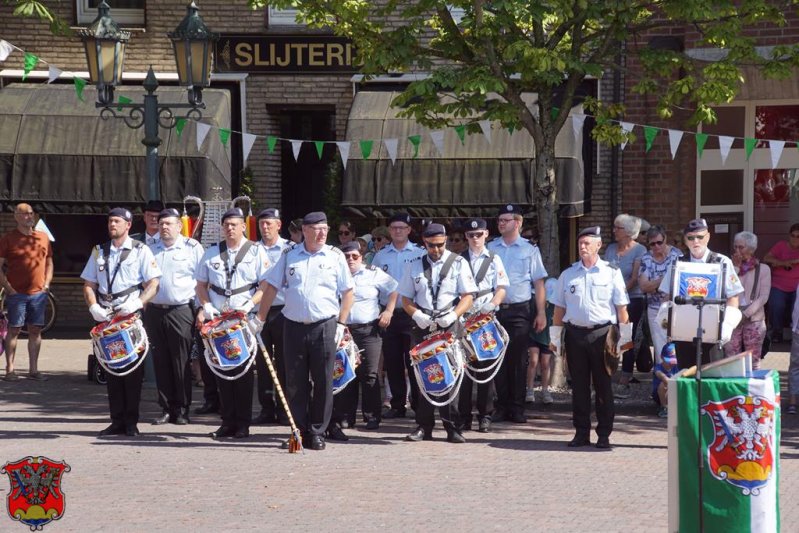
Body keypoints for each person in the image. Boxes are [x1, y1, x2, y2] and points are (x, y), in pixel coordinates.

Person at [254, 211, 354, 451]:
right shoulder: (290, 255)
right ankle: (298, 429)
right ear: (305, 231)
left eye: (325, 229)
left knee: (322, 380)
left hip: (324, 325)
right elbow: (271, 287)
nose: (321, 234)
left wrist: (341, 323)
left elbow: (348, 292)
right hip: (294, 325)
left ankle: (318, 430)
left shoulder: (335, 256)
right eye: (316, 229)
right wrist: (260, 319)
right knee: (295, 382)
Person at [81, 207, 161, 437]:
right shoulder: (99, 251)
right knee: (110, 369)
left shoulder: (140, 250)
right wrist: (93, 306)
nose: (112, 225)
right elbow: (88, 284)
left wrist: (137, 303)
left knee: (131, 369)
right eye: (110, 221)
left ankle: (131, 421)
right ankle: (116, 420)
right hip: (106, 315)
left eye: (117, 221)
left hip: (128, 315)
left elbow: (153, 283)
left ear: (128, 225)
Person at [550, 226, 630, 449]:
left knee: (604, 386)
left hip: (603, 334)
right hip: (575, 334)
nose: (583, 247)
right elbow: (558, 311)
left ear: (598, 245)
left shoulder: (611, 273)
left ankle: (604, 434)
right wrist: (555, 340)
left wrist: (626, 340)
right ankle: (581, 432)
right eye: (580, 243)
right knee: (579, 388)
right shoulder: (568, 274)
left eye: (587, 243)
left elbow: (622, 309)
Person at [195, 208, 268, 440]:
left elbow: (266, 286)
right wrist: (205, 305)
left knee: (243, 373)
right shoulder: (211, 253)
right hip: (217, 321)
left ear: (244, 226)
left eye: (234, 224)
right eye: (226, 225)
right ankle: (227, 422)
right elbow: (200, 284)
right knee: (221, 371)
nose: (230, 228)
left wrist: (249, 305)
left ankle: (243, 423)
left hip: (242, 319)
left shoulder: (255, 252)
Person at [400, 223, 476, 443]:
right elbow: (405, 298)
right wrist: (416, 315)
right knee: (423, 375)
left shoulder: (458, 263)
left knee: (450, 375)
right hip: (423, 323)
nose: (437, 250)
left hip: (448, 322)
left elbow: (468, 296)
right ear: (424, 242)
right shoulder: (413, 265)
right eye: (432, 245)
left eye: (441, 245)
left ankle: (452, 427)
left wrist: (453, 315)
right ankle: (424, 426)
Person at [487, 204, 547, 423]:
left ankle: (517, 407)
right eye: (500, 220)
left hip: (520, 310)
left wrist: (541, 312)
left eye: (506, 220)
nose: (501, 223)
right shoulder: (491, 248)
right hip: (494, 311)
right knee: (497, 359)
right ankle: (501, 406)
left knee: (518, 359)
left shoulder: (529, 250)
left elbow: (539, 283)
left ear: (518, 223)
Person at [658, 218, 744, 369]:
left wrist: (727, 325)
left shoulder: (722, 262)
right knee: (686, 379)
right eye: (690, 238)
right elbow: (666, 295)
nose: (695, 241)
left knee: (711, 380)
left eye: (700, 237)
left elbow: (733, 297)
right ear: (685, 240)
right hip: (684, 333)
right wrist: (666, 320)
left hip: (712, 333)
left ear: (708, 237)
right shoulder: (677, 263)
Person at [145, 208, 203, 426]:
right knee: (161, 361)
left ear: (180, 226)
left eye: (169, 224)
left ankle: (182, 408)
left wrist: (201, 308)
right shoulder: (150, 249)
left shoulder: (192, 247)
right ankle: (166, 408)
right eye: (161, 224)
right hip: (155, 310)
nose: (164, 228)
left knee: (180, 361)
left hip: (181, 310)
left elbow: (201, 281)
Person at [336, 241, 398, 430]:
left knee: (370, 374)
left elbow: (394, 288)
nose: (351, 260)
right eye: (347, 256)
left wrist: (388, 311)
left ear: (361, 257)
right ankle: (347, 416)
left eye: (355, 256)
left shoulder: (373, 273)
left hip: (368, 330)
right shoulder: (335, 274)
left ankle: (372, 416)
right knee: (346, 373)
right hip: (344, 329)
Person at [372, 213, 426, 419]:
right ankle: (397, 404)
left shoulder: (419, 253)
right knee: (393, 362)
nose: (397, 231)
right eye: (393, 228)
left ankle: (418, 404)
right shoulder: (381, 254)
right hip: (388, 313)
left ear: (409, 230)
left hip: (412, 313)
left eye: (401, 228)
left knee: (413, 361)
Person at [457, 218, 508, 433]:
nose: (475, 238)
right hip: (464, 317)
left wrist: (493, 304)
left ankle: (485, 415)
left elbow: (502, 287)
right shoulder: (458, 260)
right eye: (471, 235)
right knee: (464, 369)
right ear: (466, 237)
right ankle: (464, 416)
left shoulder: (494, 259)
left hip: (485, 318)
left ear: (486, 234)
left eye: (479, 234)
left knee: (486, 370)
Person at [0, 203, 53, 382]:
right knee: (14, 329)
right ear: (16, 216)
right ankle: (10, 370)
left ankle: (34, 369)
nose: (29, 217)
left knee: (35, 330)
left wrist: (47, 284)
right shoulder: (8, 239)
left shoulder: (43, 237)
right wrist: (9, 288)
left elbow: (49, 262)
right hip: (17, 293)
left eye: (31, 213)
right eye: (24, 214)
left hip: (38, 293)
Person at [252, 208, 293, 426]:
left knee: (285, 361)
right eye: (262, 224)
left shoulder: (290, 249)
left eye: (269, 223)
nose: (265, 227)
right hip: (259, 311)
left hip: (283, 310)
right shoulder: (252, 249)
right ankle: (266, 408)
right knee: (263, 359)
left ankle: (284, 408)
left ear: (279, 225)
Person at [604, 214, 647, 392]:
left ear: (629, 232)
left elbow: (635, 278)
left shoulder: (640, 250)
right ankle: (608, 370)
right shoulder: (610, 249)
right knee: (610, 336)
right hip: (610, 299)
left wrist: (618, 294)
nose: (614, 230)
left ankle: (626, 373)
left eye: (617, 228)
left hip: (632, 299)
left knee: (627, 335)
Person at [724, 231, 770, 370]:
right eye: (735, 247)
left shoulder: (763, 269)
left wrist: (746, 314)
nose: (737, 251)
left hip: (753, 318)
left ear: (751, 249)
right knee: (731, 358)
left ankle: (752, 390)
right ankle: (733, 389)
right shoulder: (729, 267)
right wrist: (736, 268)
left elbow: (763, 296)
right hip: (732, 317)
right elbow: (727, 288)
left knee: (753, 359)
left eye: (741, 247)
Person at [638, 225, 683, 362]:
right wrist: (665, 280)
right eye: (652, 244)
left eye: (659, 242)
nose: (656, 246)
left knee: (677, 345)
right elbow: (643, 286)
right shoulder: (646, 258)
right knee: (659, 347)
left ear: (665, 239)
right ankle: (662, 380)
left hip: (675, 307)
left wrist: (654, 285)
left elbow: (680, 283)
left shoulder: (677, 255)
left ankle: (676, 378)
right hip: (654, 309)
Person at [762, 223, 799, 343]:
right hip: (779, 285)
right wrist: (784, 263)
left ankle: (795, 334)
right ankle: (777, 332)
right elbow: (766, 258)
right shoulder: (781, 246)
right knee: (777, 304)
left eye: (798, 236)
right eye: (793, 235)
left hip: (797, 287)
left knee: (797, 307)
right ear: (789, 235)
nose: (795, 238)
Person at [526, 277, 557, 405]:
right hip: (534, 334)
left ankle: (545, 390)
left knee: (545, 363)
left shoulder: (557, 304)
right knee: (533, 361)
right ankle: (530, 390)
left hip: (548, 336)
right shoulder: (535, 301)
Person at [652, 343, 678, 418]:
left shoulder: (676, 367)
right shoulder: (658, 367)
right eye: (668, 360)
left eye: (672, 361)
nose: (671, 363)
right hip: (660, 394)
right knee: (663, 384)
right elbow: (661, 375)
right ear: (662, 357)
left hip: (673, 393)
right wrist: (669, 381)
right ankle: (664, 407)